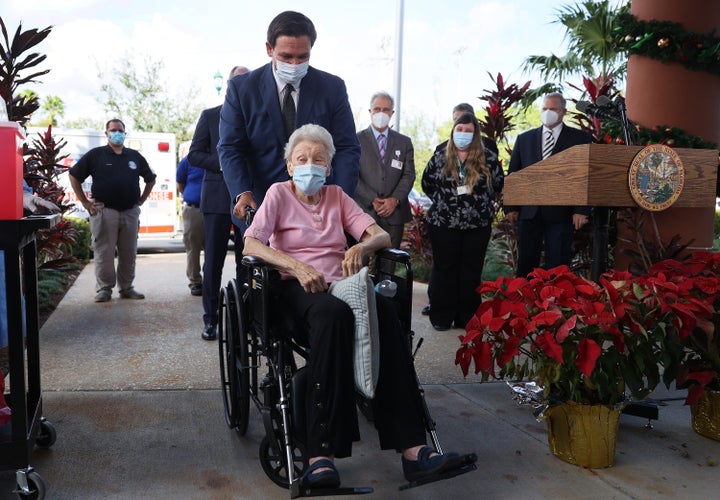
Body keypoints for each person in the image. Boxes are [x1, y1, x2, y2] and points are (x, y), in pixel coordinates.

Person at [243, 124, 460, 488]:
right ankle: (320, 455)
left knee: (385, 315)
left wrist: (362, 246)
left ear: (328, 168)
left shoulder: (337, 196)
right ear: (289, 165)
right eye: (302, 159)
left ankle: (414, 449)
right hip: (296, 288)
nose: (310, 165)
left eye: (318, 160)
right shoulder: (278, 194)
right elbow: (252, 245)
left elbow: (382, 234)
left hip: (341, 284)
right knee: (333, 315)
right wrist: (295, 265)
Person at [218, 10, 361, 228]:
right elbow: (230, 147)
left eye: (302, 57)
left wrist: (341, 200)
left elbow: (347, 148)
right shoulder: (242, 89)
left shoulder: (332, 88)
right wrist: (242, 192)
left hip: (320, 209)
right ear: (269, 49)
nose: (294, 64)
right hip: (260, 207)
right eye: (286, 57)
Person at [421, 112, 503, 331]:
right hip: (443, 224)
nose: (464, 134)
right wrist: (447, 204)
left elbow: (498, 185)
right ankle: (441, 316)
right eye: (460, 130)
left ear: (475, 134)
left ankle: (467, 317)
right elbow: (427, 184)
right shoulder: (440, 156)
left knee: (470, 272)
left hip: (477, 225)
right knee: (445, 270)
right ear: (453, 132)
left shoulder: (489, 158)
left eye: (469, 130)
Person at [189, 65, 249, 341]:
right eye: (237, 81)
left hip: (250, 200)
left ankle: (245, 319)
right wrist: (226, 165)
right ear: (228, 85)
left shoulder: (256, 117)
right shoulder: (211, 116)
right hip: (216, 199)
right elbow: (195, 155)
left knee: (247, 261)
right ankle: (210, 319)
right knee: (212, 263)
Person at [69, 119, 156, 303]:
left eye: (120, 130)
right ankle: (104, 289)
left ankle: (126, 288)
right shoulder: (96, 155)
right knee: (104, 252)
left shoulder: (134, 156)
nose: (117, 133)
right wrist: (84, 202)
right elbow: (74, 175)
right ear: (106, 133)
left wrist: (141, 200)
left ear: (125, 133)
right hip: (105, 211)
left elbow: (150, 178)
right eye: (113, 130)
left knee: (129, 252)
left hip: (130, 211)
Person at [506, 92, 592, 277]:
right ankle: (524, 304)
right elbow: (514, 174)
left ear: (563, 112)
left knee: (558, 265)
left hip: (561, 213)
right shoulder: (524, 139)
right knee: (526, 264)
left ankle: (556, 304)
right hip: (529, 212)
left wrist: (581, 210)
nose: (547, 112)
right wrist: (511, 207)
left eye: (552, 109)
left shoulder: (580, 139)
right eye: (544, 109)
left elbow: (585, 175)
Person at [354, 91, 415, 250]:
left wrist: (394, 200)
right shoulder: (354, 140)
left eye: (386, 110)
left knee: (390, 265)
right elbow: (351, 175)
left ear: (392, 113)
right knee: (361, 265)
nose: (381, 113)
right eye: (377, 109)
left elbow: (408, 175)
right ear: (370, 112)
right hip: (364, 212)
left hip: (394, 214)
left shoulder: (404, 142)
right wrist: (372, 199)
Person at [176, 149, 205, 297]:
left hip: (216, 211)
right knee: (193, 248)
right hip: (194, 210)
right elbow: (180, 185)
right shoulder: (188, 161)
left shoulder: (219, 157)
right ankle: (195, 282)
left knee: (214, 249)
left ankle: (211, 281)